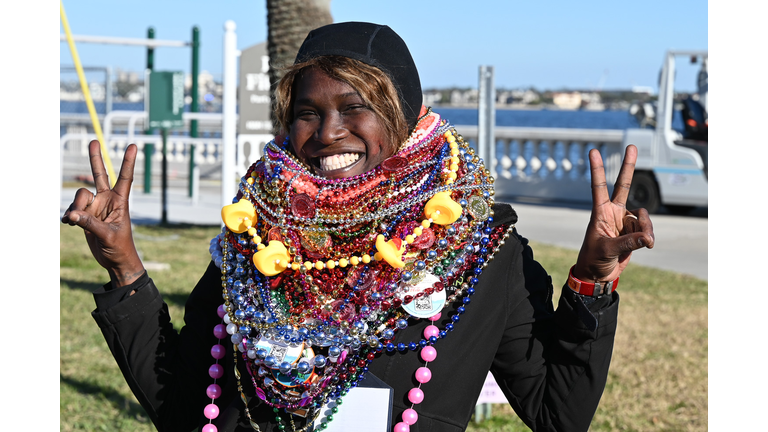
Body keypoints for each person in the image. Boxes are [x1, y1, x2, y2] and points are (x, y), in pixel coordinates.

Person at [61, 22, 654, 432]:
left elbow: (558, 412)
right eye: (307, 113)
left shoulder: (481, 247)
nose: (327, 133)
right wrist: (125, 269)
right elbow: (187, 405)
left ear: (403, 113)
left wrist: (591, 281)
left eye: (353, 108)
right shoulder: (253, 241)